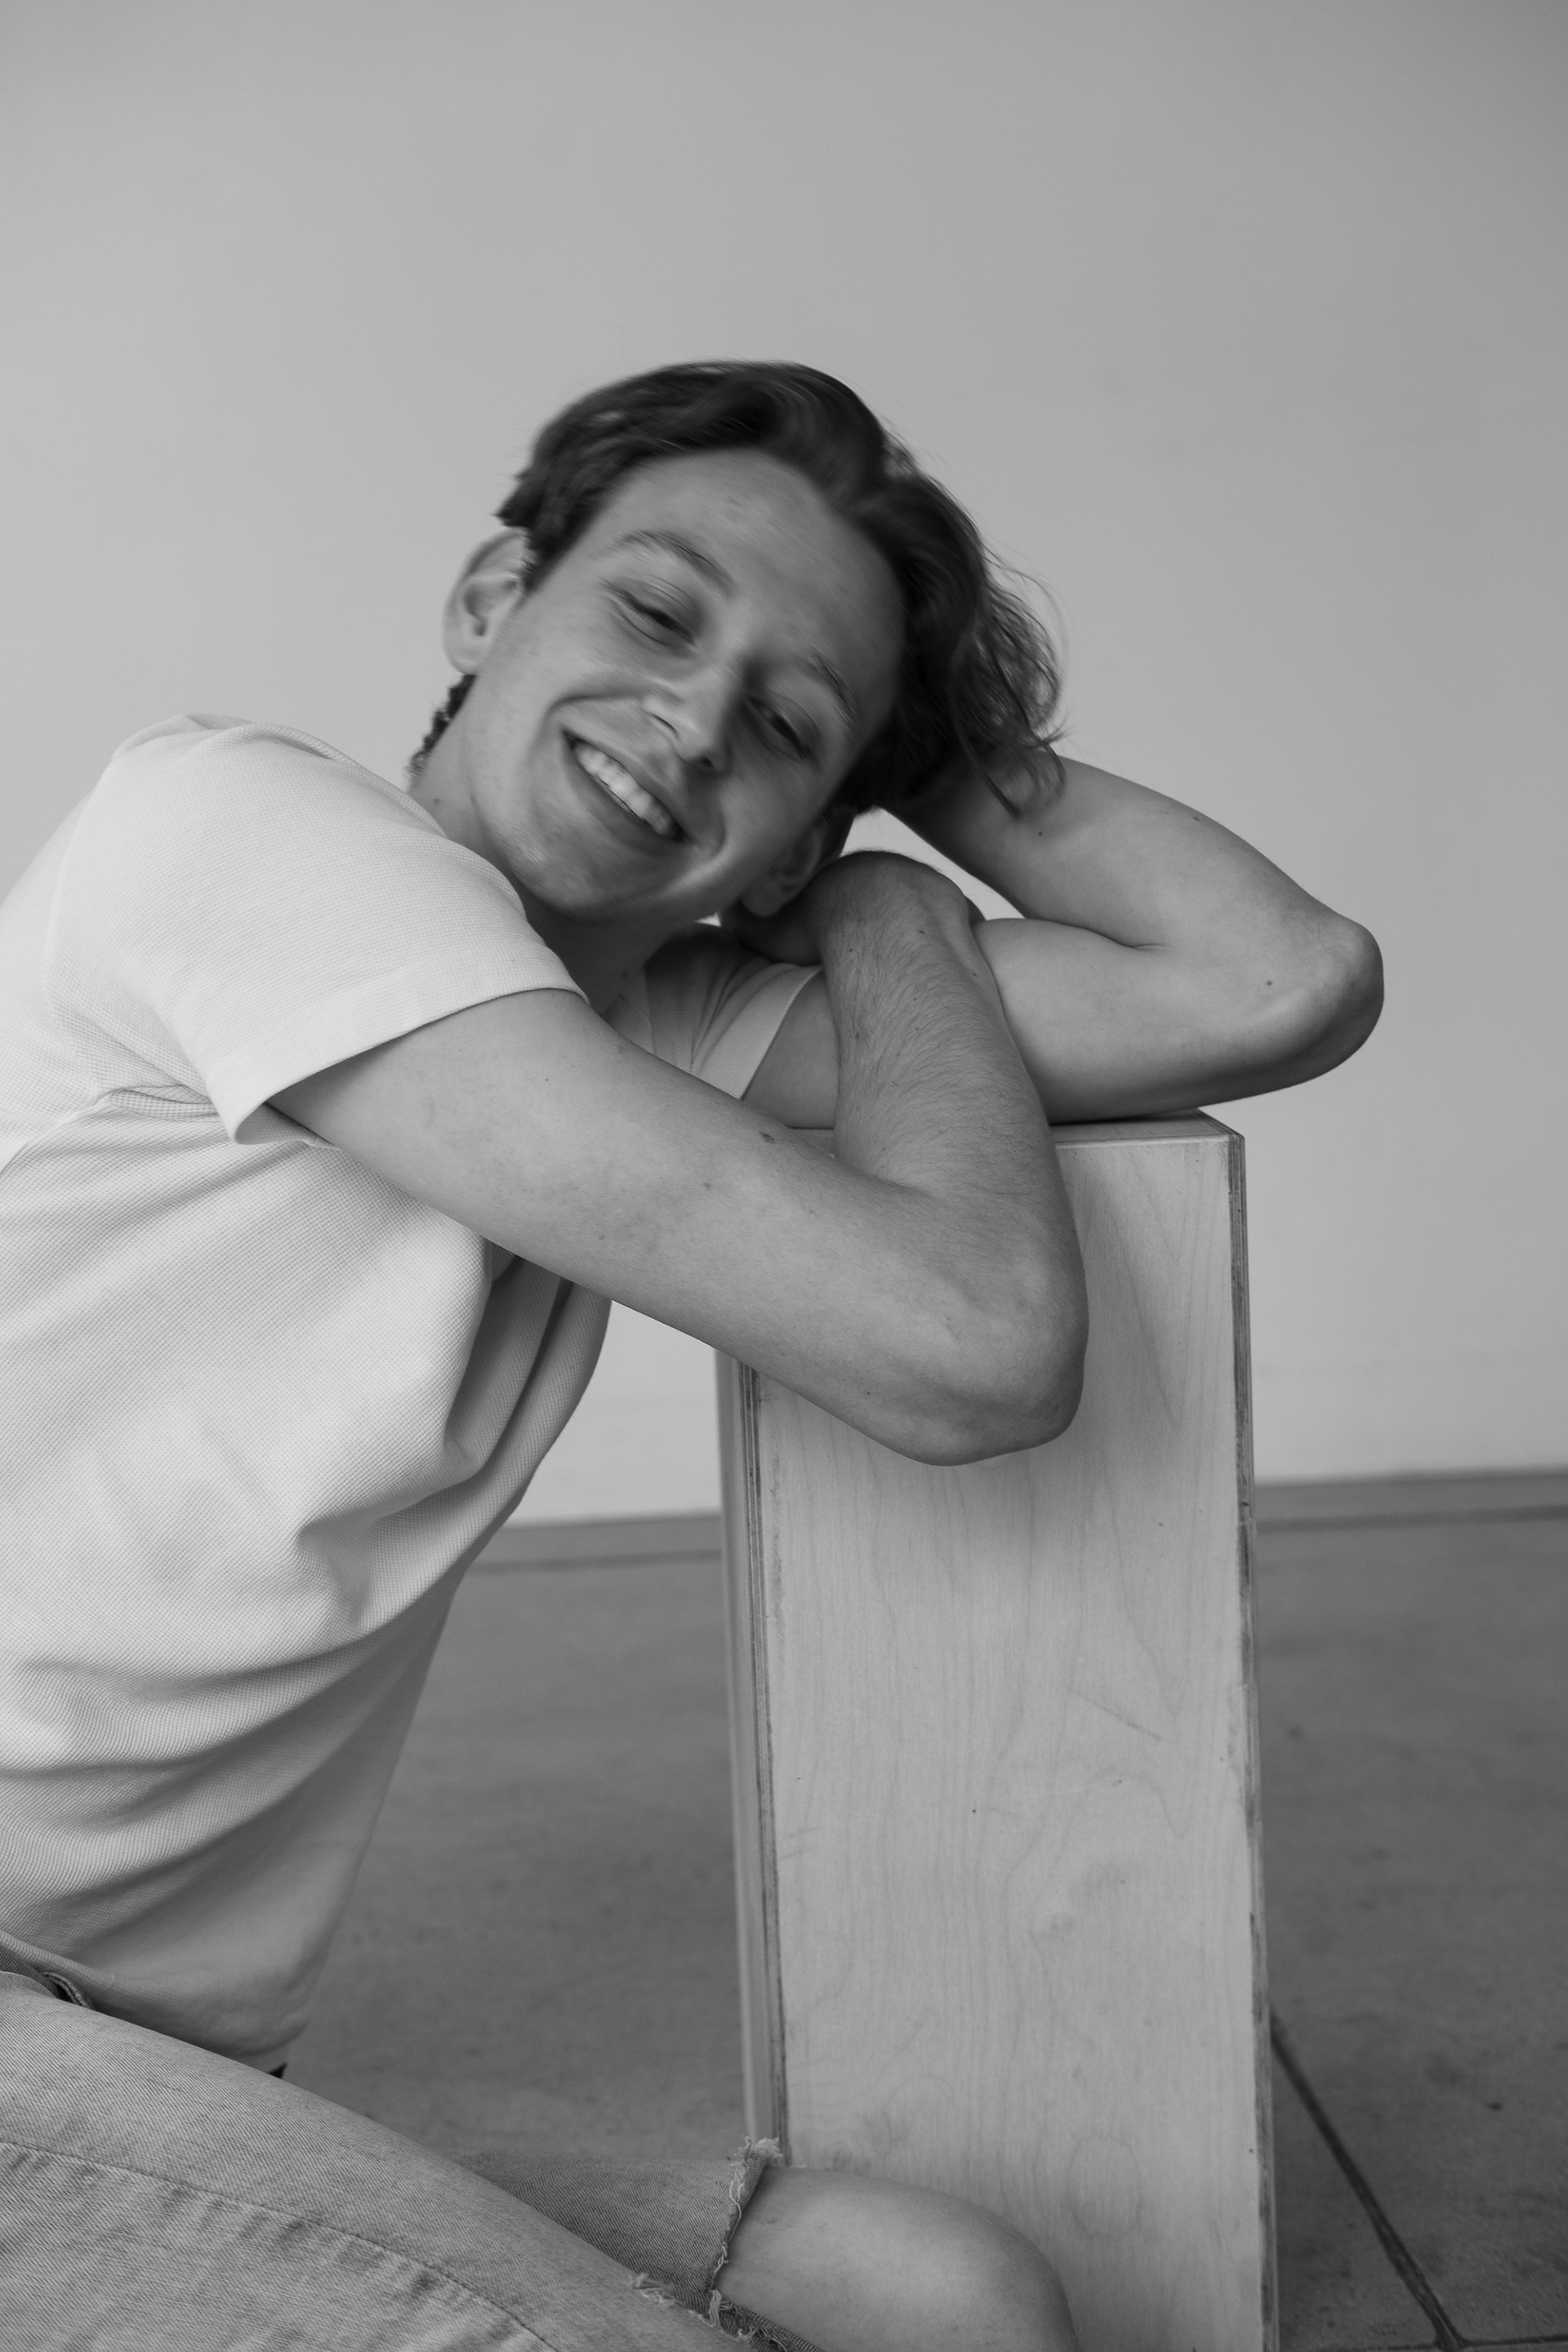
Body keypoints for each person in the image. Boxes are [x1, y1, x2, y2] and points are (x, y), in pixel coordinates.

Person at [0, 361, 1380, 2350]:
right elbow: (970, 1349)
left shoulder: (654, 1028)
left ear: (794, 836)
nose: (694, 718)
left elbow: (1277, 976)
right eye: (655, 613)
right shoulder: (240, 834)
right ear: (496, 599)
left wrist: (892, 824)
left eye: (784, 721)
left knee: (946, 2294)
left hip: (145, 2075)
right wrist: (881, 878)